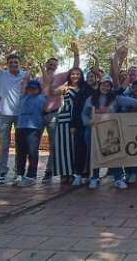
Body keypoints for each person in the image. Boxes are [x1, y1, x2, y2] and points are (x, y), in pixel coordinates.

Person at [0, 43, 29, 185]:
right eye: (10, 62)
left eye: (16, 62)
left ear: (20, 64)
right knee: (4, 145)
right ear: (7, 64)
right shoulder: (2, 75)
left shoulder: (26, 75)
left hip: (20, 115)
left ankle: (18, 171)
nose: (13, 64)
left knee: (20, 145)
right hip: (4, 114)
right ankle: (3, 173)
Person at [38, 48, 80, 182]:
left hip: (53, 115)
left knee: (54, 145)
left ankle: (48, 171)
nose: (51, 67)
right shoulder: (37, 79)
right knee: (33, 145)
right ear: (46, 65)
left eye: (54, 65)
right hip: (38, 115)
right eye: (49, 64)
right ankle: (30, 173)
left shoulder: (60, 77)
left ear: (57, 67)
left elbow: (75, 69)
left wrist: (76, 53)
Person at [53, 67, 92, 185]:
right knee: (65, 147)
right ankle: (66, 173)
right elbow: (49, 92)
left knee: (80, 147)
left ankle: (80, 173)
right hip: (65, 118)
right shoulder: (65, 88)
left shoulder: (85, 88)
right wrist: (49, 77)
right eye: (73, 74)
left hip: (80, 119)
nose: (75, 76)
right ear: (69, 75)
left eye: (78, 74)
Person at [14, 80, 47, 187]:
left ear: (38, 89)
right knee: (20, 152)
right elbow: (23, 83)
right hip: (20, 127)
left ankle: (31, 175)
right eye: (30, 88)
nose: (31, 91)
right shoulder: (23, 97)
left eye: (34, 89)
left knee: (32, 152)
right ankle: (19, 173)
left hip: (34, 128)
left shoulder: (42, 99)